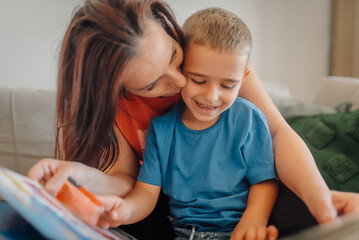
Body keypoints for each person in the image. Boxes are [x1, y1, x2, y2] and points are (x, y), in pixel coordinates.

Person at [27, 0, 359, 238]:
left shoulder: (213, 64)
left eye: (174, 56)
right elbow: (128, 180)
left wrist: (317, 195)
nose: (180, 81)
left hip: (261, 169)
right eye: (153, 84)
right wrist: (82, 176)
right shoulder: (132, 115)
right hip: (181, 202)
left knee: (305, 203)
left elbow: (276, 134)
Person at [94, 7, 278, 240]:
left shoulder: (248, 120)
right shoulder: (160, 131)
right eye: (198, 80)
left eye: (228, 85)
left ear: (242, 79)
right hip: (182, 232)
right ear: (183, 69)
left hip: (237, 231)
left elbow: (265, 181)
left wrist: (255, 219)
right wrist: (124, 211)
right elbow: (146, 193)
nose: (211, 96)